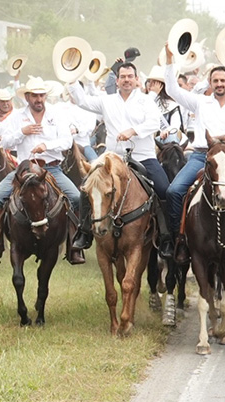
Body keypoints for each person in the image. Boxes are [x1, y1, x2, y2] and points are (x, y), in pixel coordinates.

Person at [162, 43, 225, 263]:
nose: (219, 84)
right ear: (210, 83)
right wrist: (169, 60)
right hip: (202, 156)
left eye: (223, 80)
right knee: (174, 191)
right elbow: (173, 90)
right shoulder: (200, 102)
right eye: (215, 81)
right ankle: (180, 238)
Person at [68, 63, 174, 258]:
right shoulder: (106, 100)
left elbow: (153, 123)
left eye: (130, 76)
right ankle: (84, 231)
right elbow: (82, 101)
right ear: (116, 81)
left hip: (143, 155)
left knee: (164, 189)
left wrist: (133, 131)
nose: (126, 80)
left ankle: (167, 237)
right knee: (87, 185)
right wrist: (72, 78)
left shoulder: (146, 101)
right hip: (113, 157)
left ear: (136, 80)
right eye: (123, 77)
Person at [0, 77, 85, 264]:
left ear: (45, 96)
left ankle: (74, 247)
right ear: (27, 97)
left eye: (41, 95)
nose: (39, 99)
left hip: (51, 169)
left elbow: (67, 141)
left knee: (76, 198)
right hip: (24, 171)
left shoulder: (57, 114)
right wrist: (22, 132)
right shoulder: (17, 117)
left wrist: (47, 145)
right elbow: (4, 142)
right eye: (35, 95)